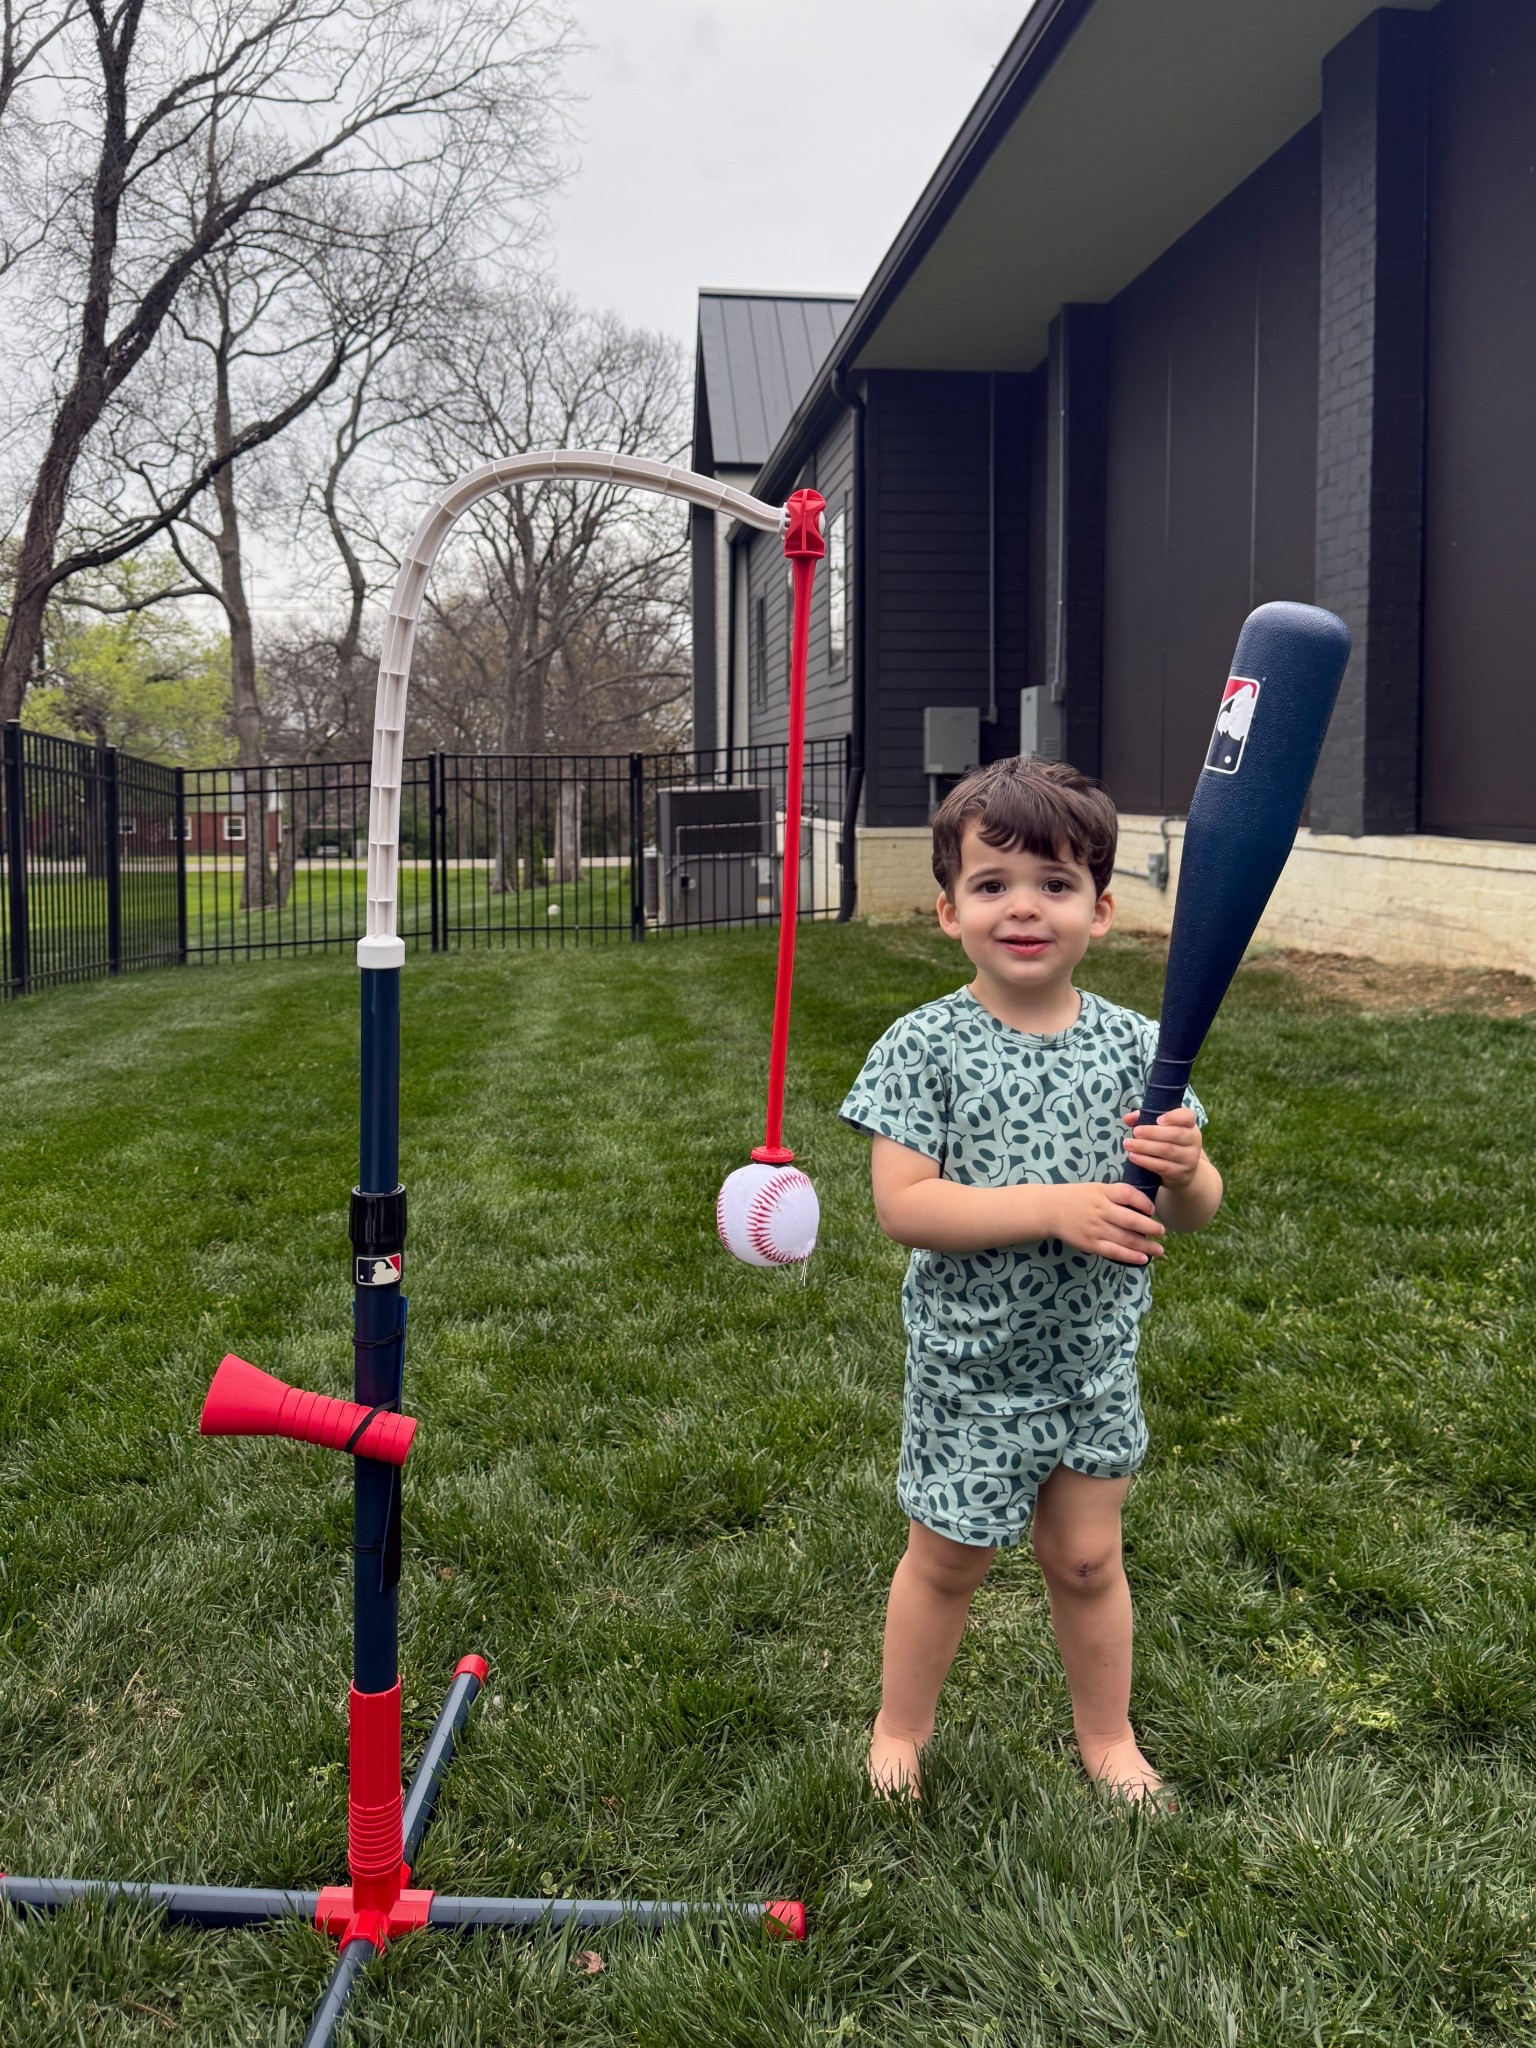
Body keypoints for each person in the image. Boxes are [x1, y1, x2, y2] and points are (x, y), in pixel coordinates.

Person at [839, 756, 1223, 1804]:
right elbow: (904, 1204)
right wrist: (1055, 1203)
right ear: (947, 909)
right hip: (973, 1368)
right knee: (950, 1559)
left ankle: (1107, 1737)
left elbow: (1192, 1209)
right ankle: (899, 1728)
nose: (1023, 906)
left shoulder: (1145, 1051)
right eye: (992, 881)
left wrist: (1188, 1173)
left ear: (1100, 911)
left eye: (1054, 884)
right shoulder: (924, 1045)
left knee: (1090, 1561)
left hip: (1094, 1362)